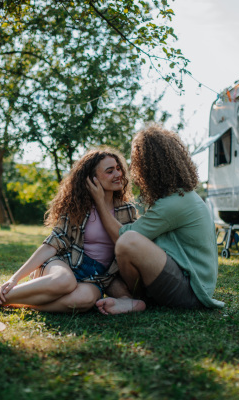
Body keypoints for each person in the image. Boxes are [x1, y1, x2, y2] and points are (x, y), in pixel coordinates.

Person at [0, 148, 138, 313]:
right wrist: (14, 279)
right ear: (92, 179)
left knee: (85, 300)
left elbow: (129, 244)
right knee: (65, 281)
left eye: (118, 168)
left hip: (96, 277)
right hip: (64, 264)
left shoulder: (127, 210)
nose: (118, 174)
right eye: (110, 170)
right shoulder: (78, 208)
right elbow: (52, 244)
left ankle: (7, 302)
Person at [87, 125, 225, 314]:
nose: (135, 170)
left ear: (150, 166)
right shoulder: (180, 196)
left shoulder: (175, 203)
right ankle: (126, 296)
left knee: (128, 242)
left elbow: (123, 237)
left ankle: (136, 300)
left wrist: (100, 203)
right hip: (189, 283)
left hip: (191, 292)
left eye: (137, 164)